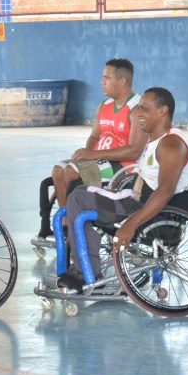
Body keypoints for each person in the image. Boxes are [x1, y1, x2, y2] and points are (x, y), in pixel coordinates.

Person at [56, 87, 188, 293]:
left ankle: (86, 272)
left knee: (79, 200)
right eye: (138, 108)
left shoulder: (171, 145)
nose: (138, 114)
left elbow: (165, 191)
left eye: (144, 109)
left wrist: (131, 224)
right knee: (79, 193)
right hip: (139, 201)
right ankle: (83, 265)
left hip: (152, 214)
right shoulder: (156, 139)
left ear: (162, 111)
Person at [36, 58, 146, 240]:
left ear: (122, 81)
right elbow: (94, 137)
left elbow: (135, 151)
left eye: (107, 78)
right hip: (100, 160)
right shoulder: (104, 106)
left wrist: (92, 154)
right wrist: (86, 155)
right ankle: (66, 223)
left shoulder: (136, 109)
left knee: (71, 171)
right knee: (58, 169)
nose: (102, 82)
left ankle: (77, 224)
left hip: (123, 168)